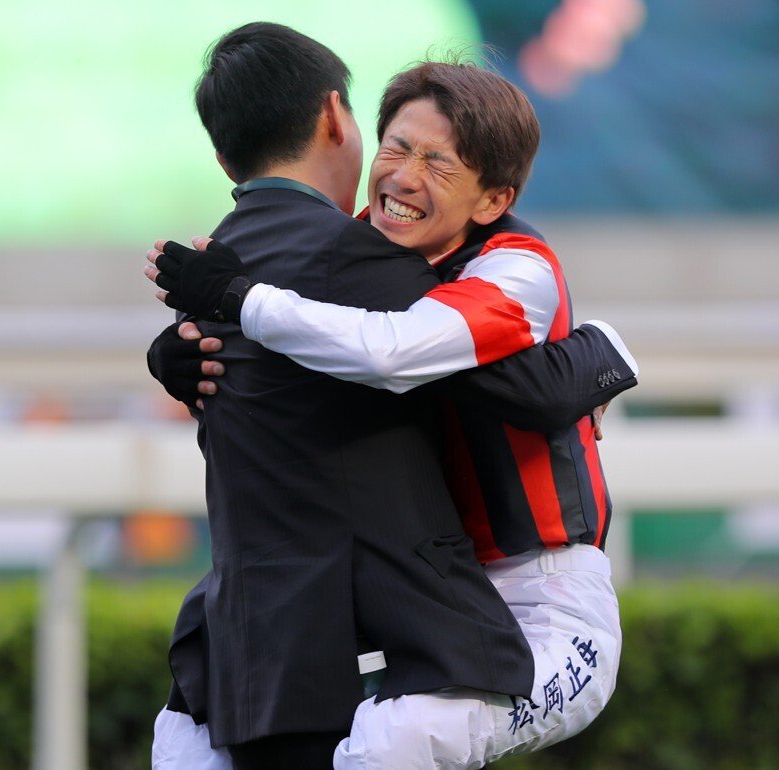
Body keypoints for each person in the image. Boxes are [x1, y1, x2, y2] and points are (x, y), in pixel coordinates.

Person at [144, 24, 636, 770]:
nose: (404, 178)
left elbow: (390, 351)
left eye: (439, 163)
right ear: (350, 130)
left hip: (551, 612)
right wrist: (179, 349)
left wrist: (236, 300)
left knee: (388, 749)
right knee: (187, 743)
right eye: (397, 148)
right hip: (442, 611)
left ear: (494, 197)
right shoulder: (361, 256)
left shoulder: (513, 268)